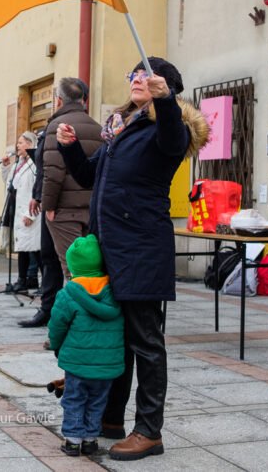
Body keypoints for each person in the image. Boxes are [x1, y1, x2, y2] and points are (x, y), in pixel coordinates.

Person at [56, 56, 208, 461]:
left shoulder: (164, 127)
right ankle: (110, 418)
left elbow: (175, 141)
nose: (136, 79)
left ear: (163, 85)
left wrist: (169, 101)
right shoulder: (123, 129)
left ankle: (149, 430)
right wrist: (69, 151)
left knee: (146, 343)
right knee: (116, 338)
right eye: (134, 74)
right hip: (111, 248)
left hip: (141, 250)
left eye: (146, 75)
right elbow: (90, 178)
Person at [21, 78, 104, 328]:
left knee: (71, 271)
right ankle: (93, 320)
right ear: (85, 100)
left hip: (64, 211)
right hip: (90, 209)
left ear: (58, 100)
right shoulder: (98, 128)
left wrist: (48, 206)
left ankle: (73, 328)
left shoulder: (57, 126)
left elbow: (53, 172)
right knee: (91, 267)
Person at [47, 234, 124, 457]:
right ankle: (90, 440)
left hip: (78, 364)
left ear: (72, 267)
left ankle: (72, 440)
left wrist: (56, 345)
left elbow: (57, 326)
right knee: (98, 401)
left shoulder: (68, 294)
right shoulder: (114, 292)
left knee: (74, 399)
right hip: (106, 365)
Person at [1, 131, 40, 291]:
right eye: (18, 143)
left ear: (30, 145)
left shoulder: (35, 164)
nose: (17, 146)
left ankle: (41, 283)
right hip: (17, 210)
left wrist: (31, 214)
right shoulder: (19, 163)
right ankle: (22, 281)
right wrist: (6, 166)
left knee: (35, 250)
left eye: (21, 143)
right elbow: (9, 183)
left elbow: (38, 189)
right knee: (23, 248)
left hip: (30, 212)